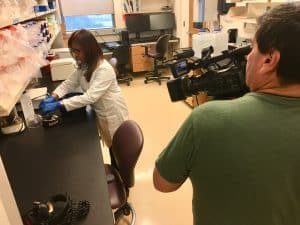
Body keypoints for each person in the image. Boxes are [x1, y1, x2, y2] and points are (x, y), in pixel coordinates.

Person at [153, 4, 300, 225]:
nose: (248, 58)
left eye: (252, 49)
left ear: (270, 60)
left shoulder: (206, 119)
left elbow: (163, 183)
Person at [40, 29, 129, 148]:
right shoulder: (85, 66)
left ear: (89, 49)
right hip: (101, 112)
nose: (75, 54)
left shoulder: (104, 69)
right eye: (72, 50)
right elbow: (69, 83)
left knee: (120, 149)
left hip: (112, 113)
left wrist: (59, 104)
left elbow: (90, 97)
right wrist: (54, 96)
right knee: (111, 146)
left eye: (78, 50)